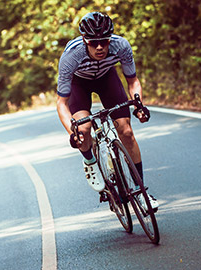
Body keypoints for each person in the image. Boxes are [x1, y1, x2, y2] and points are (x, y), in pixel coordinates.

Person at [56, 11, 158, 210]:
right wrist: (73, 132)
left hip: (106, 78)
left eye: (104, 41)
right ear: (85, 40)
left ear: (110, 38)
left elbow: (133, 81)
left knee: (126, 131)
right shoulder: (71, 56)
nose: (100, 47)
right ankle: (90, 161)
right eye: (94, 43)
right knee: (84, 130)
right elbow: (61, 103)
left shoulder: (121, 46)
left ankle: (140, 192)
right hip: (80, 84)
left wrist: (138, 105)